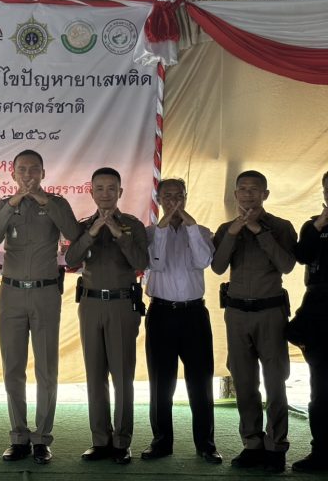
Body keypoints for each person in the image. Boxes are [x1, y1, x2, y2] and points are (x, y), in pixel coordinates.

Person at [0, 150, 80, 465]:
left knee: (46, 369)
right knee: (13, 368)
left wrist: (43, 200)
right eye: (21, 170)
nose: (27, 175)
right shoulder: (5, 205)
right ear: (12, 174)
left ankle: (42, 439)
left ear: (43, 172)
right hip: (11, 294)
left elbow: (73, 233)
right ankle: (18, 437)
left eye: (33, 170)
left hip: (44, 294)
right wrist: (13, 202)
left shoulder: (56, 203)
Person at [211, 170, 296, 473]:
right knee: (244, 383)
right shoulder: (225, 229)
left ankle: (276, 446)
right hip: (236, 314)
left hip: (270, 313)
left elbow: (286, 265)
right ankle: (252, 443)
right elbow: (218, 267)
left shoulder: (282, 227)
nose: (248, 195)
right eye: (242, 189)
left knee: (275, 383)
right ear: (235, 195)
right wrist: (234, 233)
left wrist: (260, 231)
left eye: (255, 189)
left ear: (265, 194)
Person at [65, 167, 148, 466]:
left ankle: (122, 442)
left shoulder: (133, 226)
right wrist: (91, 233)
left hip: (122, 306)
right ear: (91, 192)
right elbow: (70, 260)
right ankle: (100, 440)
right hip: (90, 305)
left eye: (111, 188)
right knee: (95, 375)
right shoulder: (83, 226)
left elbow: (141, 262)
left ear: (120, 192)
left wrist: (116, 233)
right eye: (99, 188)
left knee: (122, 376)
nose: (105, 194)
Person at [140, 179, 221, 464]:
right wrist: (163, 228)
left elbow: (202, 261)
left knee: (201, 381)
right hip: (161, 313)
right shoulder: (150, 233)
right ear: (159, 199)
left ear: (186, 198)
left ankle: (206, 443)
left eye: (178, 196)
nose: (173, 202)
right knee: (161, 382)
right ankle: (161, 441)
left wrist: (190, 226)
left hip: (194, 314)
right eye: (167, 197)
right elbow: (156, 264)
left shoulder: (201, 231)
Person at [289, 171, 328, 472]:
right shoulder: (312, 224)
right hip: (318, 312)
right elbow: (300, 256)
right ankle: (321, 451)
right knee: (321, 389)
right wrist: (318, 225)